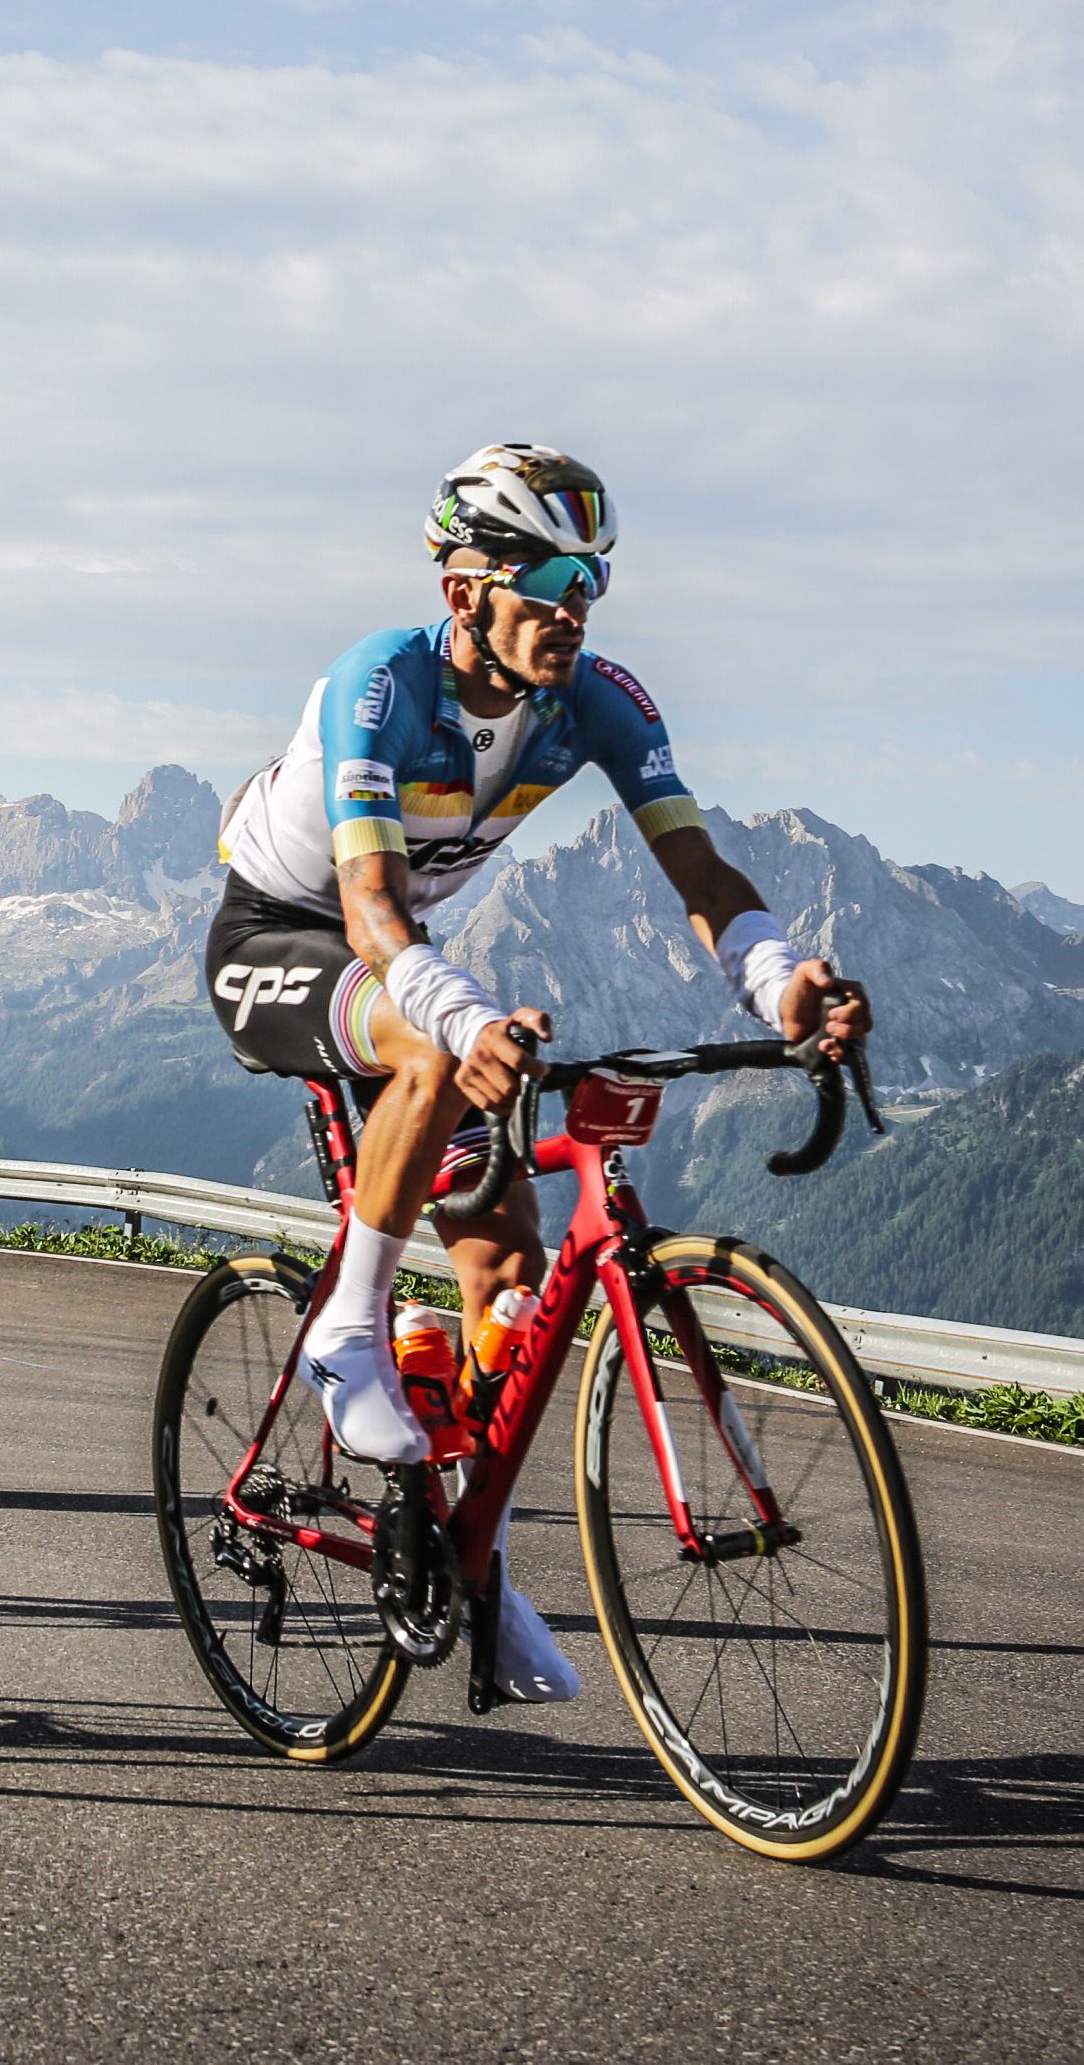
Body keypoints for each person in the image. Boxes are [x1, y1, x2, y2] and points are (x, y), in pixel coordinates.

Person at [206, 440, 873, 1702]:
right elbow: (368, 904)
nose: (576, 606)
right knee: (426, 1046)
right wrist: (461, 1016)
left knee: (507, 1271)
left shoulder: (597, 700)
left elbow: (698, 871)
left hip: (403, 959)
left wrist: (781, 980)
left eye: (593, 580)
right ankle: (346, 1333)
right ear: (465, 587)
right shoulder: (378, 684)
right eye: (552, 577)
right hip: (287, 938)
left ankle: (477, 1563)